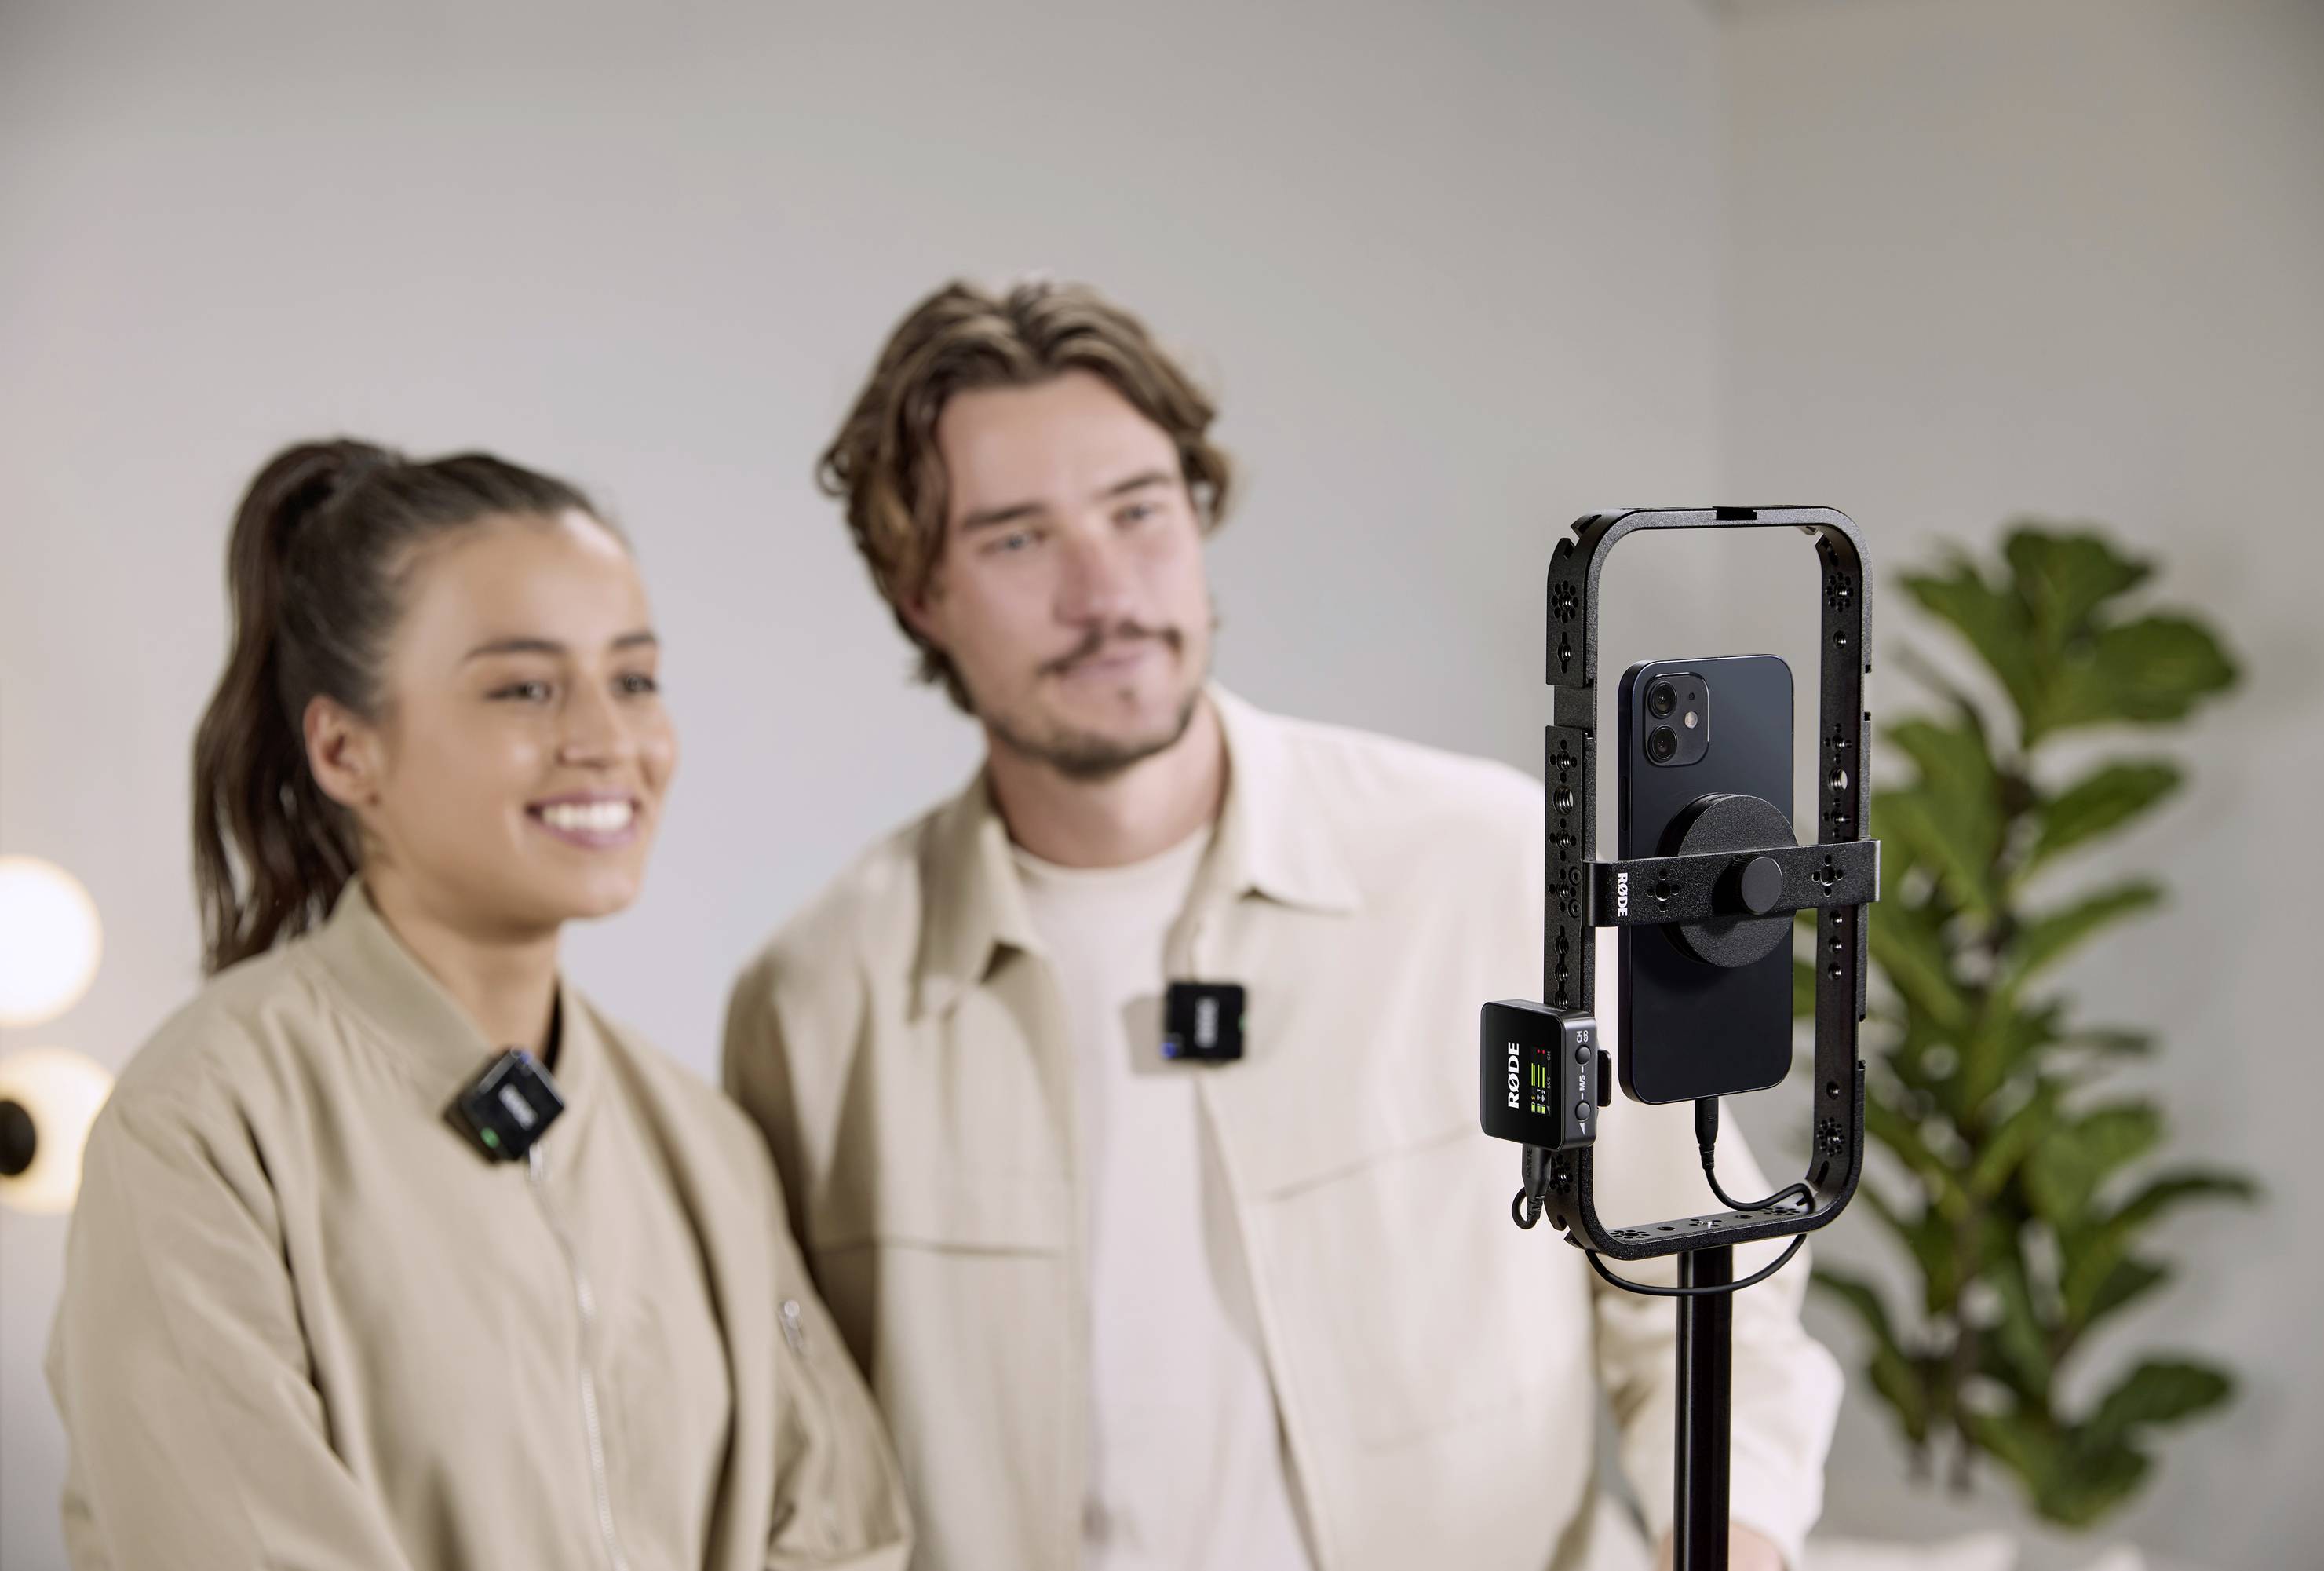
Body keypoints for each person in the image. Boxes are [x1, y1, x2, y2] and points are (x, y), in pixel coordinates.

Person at [722, 280, 1843, 1571]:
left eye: (1139, 511)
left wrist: (1730, 1543)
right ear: (920, 593)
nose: (1104, 589)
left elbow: (1716, 1295)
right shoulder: (815, 1002)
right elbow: (803, 1468)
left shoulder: (1483, 869)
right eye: (1018, 539)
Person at [48, 440, 911, 1571]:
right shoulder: (202, 1126)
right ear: (346, 748)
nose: (609, 740)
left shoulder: (704, 1148)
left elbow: (847, 1531)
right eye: (524, 687)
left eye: (635, 678)